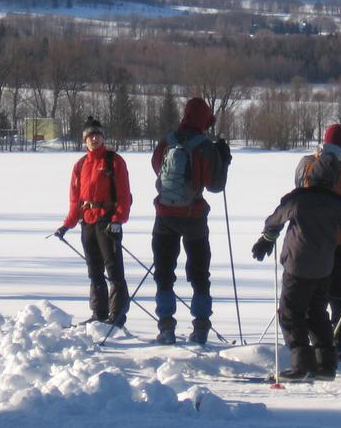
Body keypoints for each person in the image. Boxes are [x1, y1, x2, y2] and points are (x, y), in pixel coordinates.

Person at [253, 152, 341, 381]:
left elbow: (274, 220)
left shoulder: (297, 198)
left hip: (297, 267)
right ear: (333, 180)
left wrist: (267, 238)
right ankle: (326, 364)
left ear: (311, 174)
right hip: (325, 268)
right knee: (316, 313)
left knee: (290, 314)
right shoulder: (337, 204)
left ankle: (301, 365)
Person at [150, 97, 231, 345]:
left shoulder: (168, 140)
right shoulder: (205, 146)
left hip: (164, 214)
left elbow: (156, 166)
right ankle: (201, 326)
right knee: (199, 273)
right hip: (194, 217)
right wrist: (223, 160)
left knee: (164, 272)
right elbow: (215, 186)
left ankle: (166, 327)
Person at [293, 123, 341, 363]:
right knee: (339, 294)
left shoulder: (306, 164)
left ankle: (314, 343)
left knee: (310, 293)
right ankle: (338, 343)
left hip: (310, 239)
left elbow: (298, 194)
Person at [55, 116, 133, 326]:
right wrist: (67, 224)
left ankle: (117, 316)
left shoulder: (114, 161)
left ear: (103, 137)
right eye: (90, 136)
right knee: (94, 270)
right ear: (84, 140)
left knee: (114, 270)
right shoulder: (80, 165)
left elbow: (125, 196)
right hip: (87, 223)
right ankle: (99, 314)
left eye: (97, 135)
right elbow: (75, 199)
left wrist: (118, 219)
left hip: (108, 222)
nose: (94, 139)